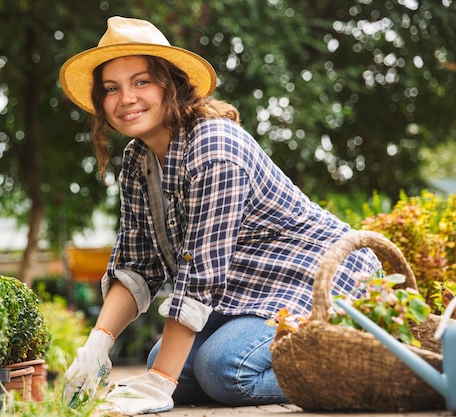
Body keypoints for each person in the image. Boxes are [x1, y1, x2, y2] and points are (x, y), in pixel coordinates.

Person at [58, 16, 381, 415]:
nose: (126, 98)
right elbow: (136, 265)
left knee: (224, 370)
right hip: (250, 294)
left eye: (141, 81)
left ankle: (362, 370)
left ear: (171, 85)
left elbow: (200, 275)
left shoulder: (214, 148)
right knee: (170, 361)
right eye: (111, 88)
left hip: (319, 279)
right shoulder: (137, 161)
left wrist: (160, 384)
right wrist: (97, 346)